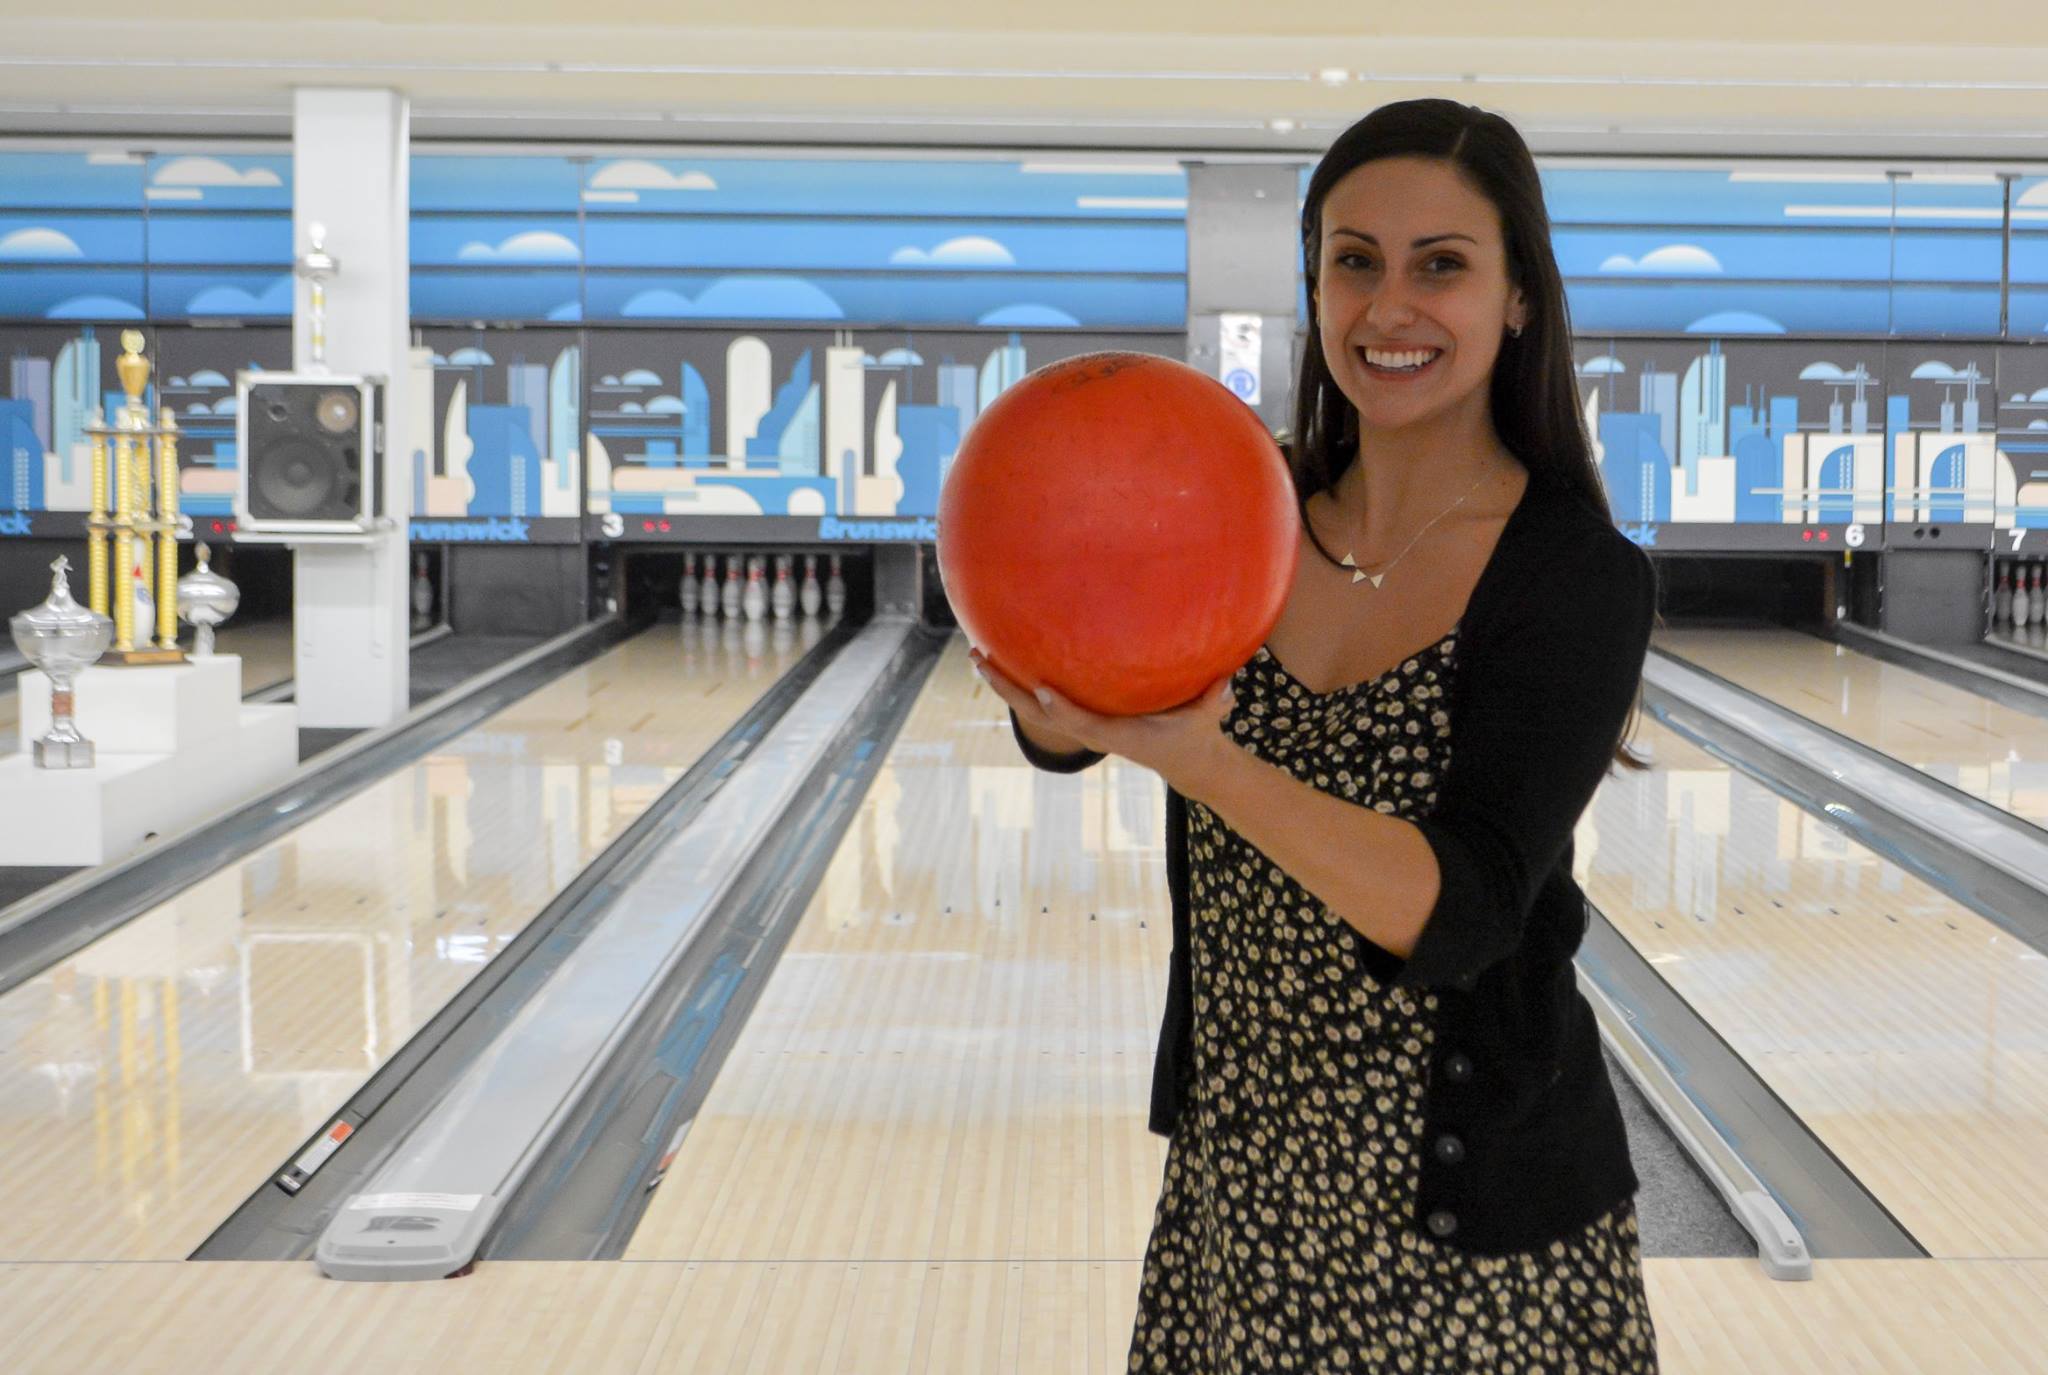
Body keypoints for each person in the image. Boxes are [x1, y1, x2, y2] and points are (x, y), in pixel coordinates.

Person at [973, 98, 1660, 1373]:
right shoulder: (1243, 505)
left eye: (1439, 265)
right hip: (1241, 1199)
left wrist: (1205, 763)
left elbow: (1461, 910)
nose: (1387, 306)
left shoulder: (1570, 574)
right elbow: (1095, 720)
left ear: (1516, 298)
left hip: (1476, 1238)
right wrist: (1053, 710)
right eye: (1353, 260)